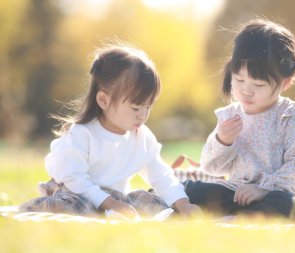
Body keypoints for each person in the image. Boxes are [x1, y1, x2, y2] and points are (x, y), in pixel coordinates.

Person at [20, 44, 200, 219]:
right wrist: (111, 205)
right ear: (103, 100)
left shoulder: (143, 137)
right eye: (136, 108)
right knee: (70, 207)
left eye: (148, 107)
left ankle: (114, 211)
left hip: (115, 197)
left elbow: (161, 176)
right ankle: (38, 207)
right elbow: (75, 179)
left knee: (151, 202)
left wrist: (184, 204)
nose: (143, 115)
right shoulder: (83, 133)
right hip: (76, 192)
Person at [183, 19, 295, 222]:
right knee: (189, 189)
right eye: (239, 80)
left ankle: (238, 217)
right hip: (236, 195)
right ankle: (240, 214)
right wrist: (222, 140)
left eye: (259, 84)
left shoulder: (294, 117)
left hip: (279, 196)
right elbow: (211, 167)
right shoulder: (231, 115)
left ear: (285, 82)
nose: (246, 91)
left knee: (290, 207)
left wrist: (263, 189)